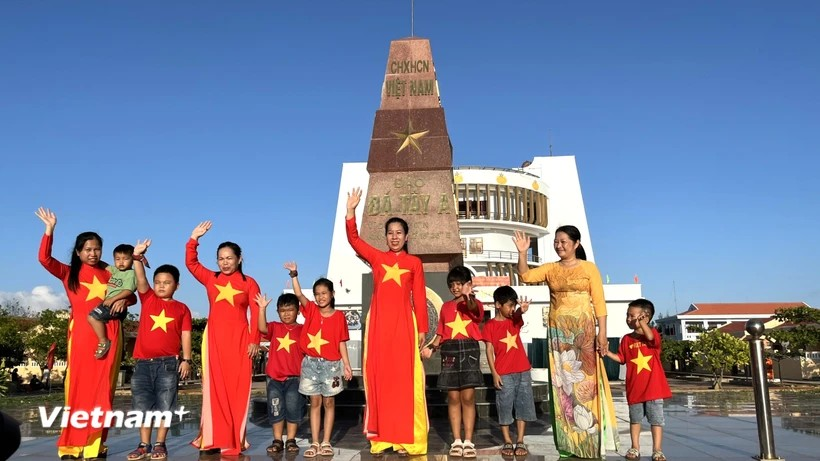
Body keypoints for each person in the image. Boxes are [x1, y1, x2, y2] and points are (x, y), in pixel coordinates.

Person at [36, 207, 135, 460]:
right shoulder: (69, 272)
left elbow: (132, 292)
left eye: (97, 249)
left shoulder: (111, 271)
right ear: (78, 252)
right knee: (77, 389)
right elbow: (44, 259)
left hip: (110, 331)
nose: (93, 253)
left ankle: (95, 446)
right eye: (88, 249)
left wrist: (126, 300)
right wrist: (49, 230)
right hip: (81, 334)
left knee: (103, 391)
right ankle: (70, 446)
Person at [513, 226, 619, 458]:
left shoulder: (589, 268)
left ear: (576, 243)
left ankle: (590, 442)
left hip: (583, 331)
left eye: (563, 241)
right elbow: (526, 276)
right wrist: (522, 253)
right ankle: (569, 443)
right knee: (563, 386)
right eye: (556, 242)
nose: (559, 245)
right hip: (558, 334)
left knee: (586, 386)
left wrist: (602, 334)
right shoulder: (551, 269)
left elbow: (599, 303)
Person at [345, 187, 429, 456]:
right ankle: (381, 438)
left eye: (399, 233)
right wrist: (351, 211)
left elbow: (420, 296)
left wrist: (423, 329)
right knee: (381, 379)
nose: (394, 237)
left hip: (404, 327)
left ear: (407, 236)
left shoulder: (414, 263)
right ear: (386, 236)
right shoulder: (378, 258)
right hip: (379, 327)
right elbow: (355, 240)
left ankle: (406, 438)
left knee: (404, 382)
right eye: (390, 233)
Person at [186, 221, 261, 456]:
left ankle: (233, 439)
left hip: (240, 342)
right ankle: (212, 438)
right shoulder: (211, 278)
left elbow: (256, 313)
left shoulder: (249, 283)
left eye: (229, 257)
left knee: (237, 390)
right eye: (221, 258)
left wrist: (254, 340)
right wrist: (193, 239)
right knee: (214, 390)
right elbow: (191, 263)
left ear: (239, 258)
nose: (225, 262)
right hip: (214, 341)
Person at [126, 240, 193, 461]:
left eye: (167, 282)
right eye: (158, 282)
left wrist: (186, 360)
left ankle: (159, 444)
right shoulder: (149, 299)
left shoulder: (182, 309)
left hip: (168, 364)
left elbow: (185, 335)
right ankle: (144, 444)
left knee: (165, 404)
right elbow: (141, 278)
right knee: (142, 405)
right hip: (143, 363)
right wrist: (137, 257)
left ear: (177, 285)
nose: (161, 286)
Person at [287, 262, 352, 458]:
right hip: (310, 363)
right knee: (314, 403)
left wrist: (346, 365)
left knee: (329, 403)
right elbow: (299, 295)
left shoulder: (340, 316)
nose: (321, 297)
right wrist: (294, 275)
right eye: (317, 293)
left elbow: (341, 342)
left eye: (324, 293)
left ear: (332, 294)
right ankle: (314, 442)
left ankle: (326, 442)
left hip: (332, 365)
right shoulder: (312, 311)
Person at [422, 266, 484, 458]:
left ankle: (468, 440)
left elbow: (475, 312)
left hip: (469, 350)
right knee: (454, 397)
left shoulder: (474, 302)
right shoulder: (446, 307)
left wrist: (468, 297)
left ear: (468, 284)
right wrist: (431, 347)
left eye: (459, 284)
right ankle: (456, 440)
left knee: (468, 397)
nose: (455, 288)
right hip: (449, 351)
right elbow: (441, 333)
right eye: (452, 285)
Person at [604, 299, 671, 461]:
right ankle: (635, 447)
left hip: (654, 389)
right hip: (635, 389)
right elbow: (621, 358)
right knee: (635, 420)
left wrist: (643, 324)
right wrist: (606, 352)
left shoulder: (652, 334)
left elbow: (650, 336)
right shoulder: (626, 339)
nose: (628, 319)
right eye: (627, 315)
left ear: (645, 317)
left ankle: (657, 449)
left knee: (656, 420)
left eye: (631, 316)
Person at [482, 286, 537, 458]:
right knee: (504, 406)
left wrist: (522, 309)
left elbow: (519, 314)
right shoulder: (489, 326)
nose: (512, 309)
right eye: (509, 305)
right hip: (503, 373)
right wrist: (494, 373)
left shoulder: (514, 320)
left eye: (514, 305)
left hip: (523, 370)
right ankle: (507, 440)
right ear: (498, 305)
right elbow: (489, 351)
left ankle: (520, 440)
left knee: (523, 405)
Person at [256, 292, 306, 456]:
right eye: (282, 310)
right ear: (277, 312)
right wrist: (262, 309)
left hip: (295, 378)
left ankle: (291, 439)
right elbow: (262, 328)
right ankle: (277, 440)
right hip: (274, 378)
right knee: (275, 409)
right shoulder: (275, 327)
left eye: (290, 310)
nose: (286, 313)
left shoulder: (302, 330)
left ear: (297, 311)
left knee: (293, 408)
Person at [87, 244, 139, 359]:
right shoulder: (116, 271)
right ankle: (122, 351)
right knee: (117, 329)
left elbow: (128, 291)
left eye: (125, 259)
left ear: (132, 260)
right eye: (117, 259)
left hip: (114, 305)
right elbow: (104, 265)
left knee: (92, 317)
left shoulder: (131, 274)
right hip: (112, 304)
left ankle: (103, 341)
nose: (121, 262)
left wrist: (113, 299)